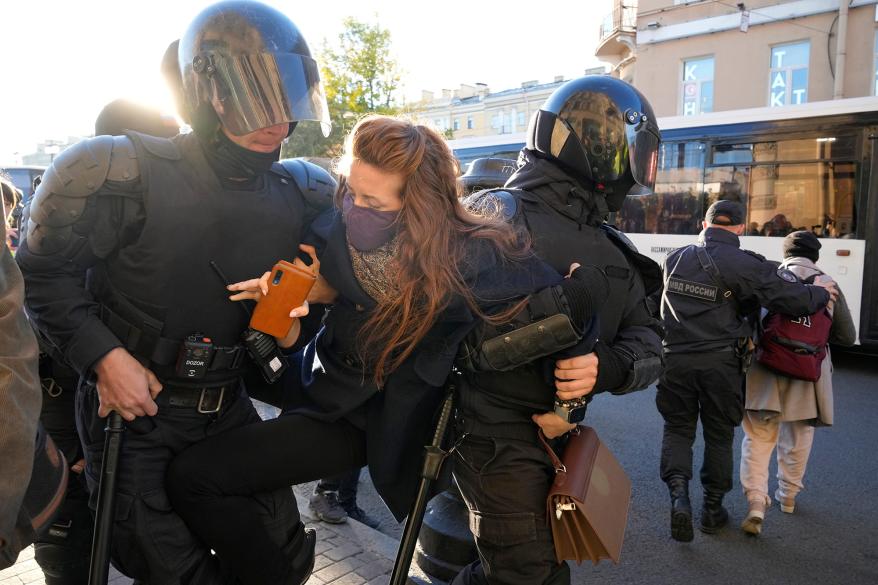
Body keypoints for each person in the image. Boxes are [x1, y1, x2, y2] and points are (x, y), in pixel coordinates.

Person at [164, 114, 598, 585]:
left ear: (419, 206)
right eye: (350, 190)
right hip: (325, 399)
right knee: (197, 476)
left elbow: (570, 312)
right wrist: (292, 319)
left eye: (373, 201)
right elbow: (306, 335)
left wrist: (573, 394)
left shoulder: (475, 255)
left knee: (524, 569)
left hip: (401, 425)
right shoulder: (330, 230)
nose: (354, 207)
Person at [15, 1, 333, 583]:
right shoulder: (118, 171)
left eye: (285, 89)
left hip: (230, 411)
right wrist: (104, 358)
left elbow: (342, 296)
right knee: (166, 567)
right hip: (136, 415)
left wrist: (300, 309)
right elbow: (41, 275)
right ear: (205, 91)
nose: (277, 116)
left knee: (279, 561)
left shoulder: (304, 190)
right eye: (252, 90)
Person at [452, 75, 665, 585]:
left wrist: (605, 367)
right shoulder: (497, 217)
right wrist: (565, 308)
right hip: (491, 435)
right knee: (529, 575)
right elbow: (465, 345)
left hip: (558, 439)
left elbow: (653, 341)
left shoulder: (613, 246)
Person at [657, 200, 838, 543]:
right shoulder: (746, 264)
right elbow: (791, 300)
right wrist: (818, 293)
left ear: (704, 223)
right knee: (719, 436)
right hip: (721, 365)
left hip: (675, 361)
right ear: (740, 228)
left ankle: (679, 496)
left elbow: (657, 306)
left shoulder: (674, 258)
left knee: (677, 430)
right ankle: (712, 511)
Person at [739, 230, 856, 535]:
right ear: (815, 256)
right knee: (799, 435)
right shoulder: (829, 284)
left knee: (759, 436)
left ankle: (755, 502)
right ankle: (787, 496)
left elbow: (748, 324)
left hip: (765, 371)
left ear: (786, 253)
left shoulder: (770, 278)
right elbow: (847, 337)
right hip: (808, 374)